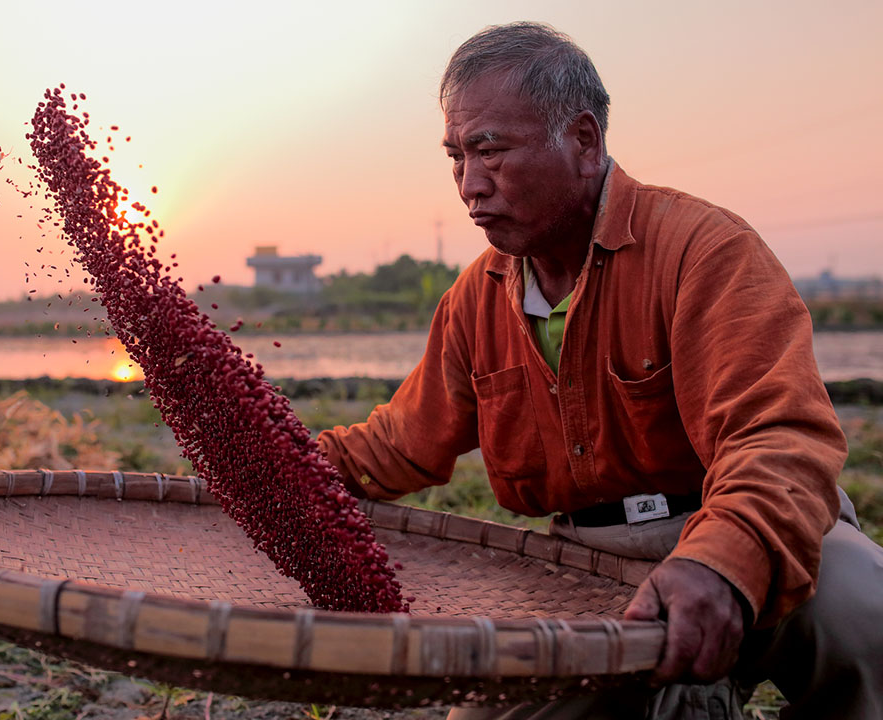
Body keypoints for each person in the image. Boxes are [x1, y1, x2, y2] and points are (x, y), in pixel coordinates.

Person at [317, 22, 883, 720]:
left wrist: (719, 563)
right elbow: (399, 444)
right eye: (456, 156)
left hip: (749, 526)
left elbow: (779, 441)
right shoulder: (476, 299)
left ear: (583, 141)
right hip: (586, 562)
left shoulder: (704, 252)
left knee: (867, 621)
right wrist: (262, 464)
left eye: (490, 150)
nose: (468, 184)